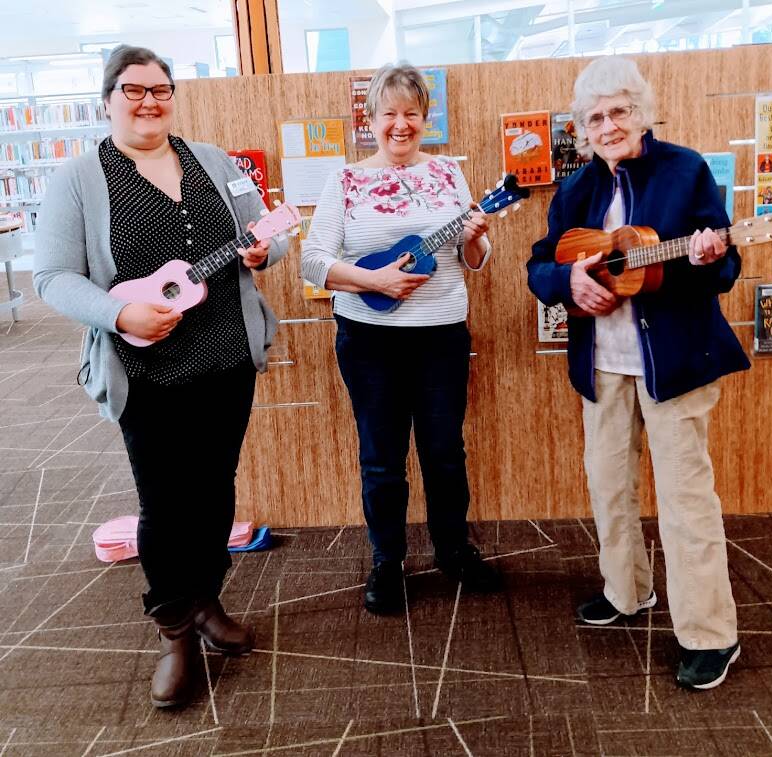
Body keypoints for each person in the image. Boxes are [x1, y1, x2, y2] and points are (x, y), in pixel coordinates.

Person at [33, 45, 288, 709]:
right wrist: (119, 313)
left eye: (161, 89)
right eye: (134, 90)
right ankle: (175, 626)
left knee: (214, 488)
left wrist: (267, 246)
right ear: (108, 98)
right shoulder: (81, 178)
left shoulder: (213, 161)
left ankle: (207, 599)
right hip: (145, 369)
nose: (149, 101)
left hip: (227, 357)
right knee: (165, 500)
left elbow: (269, 233)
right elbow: (53, 277)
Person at [527, 56, 749, 691]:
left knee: (685, 501)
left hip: (674, 363)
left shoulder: (685, 171)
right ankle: (627, 593)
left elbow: (723, 270)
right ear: (584, 129)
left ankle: (710, 635)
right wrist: (567, 279)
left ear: (641, 113)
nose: (607, 124)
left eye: (618, 111)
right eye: (595, 117)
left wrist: (708, 255)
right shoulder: (576, 191)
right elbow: (540, 266)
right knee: (609, 486)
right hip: (602, 366)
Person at [301, 62, 500, 615]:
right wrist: (375, 280)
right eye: (389, 112)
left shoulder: (449, 176)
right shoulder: (345, 181)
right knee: (382, 456)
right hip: (369, 340)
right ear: (370, 119)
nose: (400, 124)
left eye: (411, 113)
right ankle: (387, 561)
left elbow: (473, 262)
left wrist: (478, 237)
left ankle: (453, 551)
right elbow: (313, 262)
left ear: (425, 118)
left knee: (444, 450)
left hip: (441, 336)